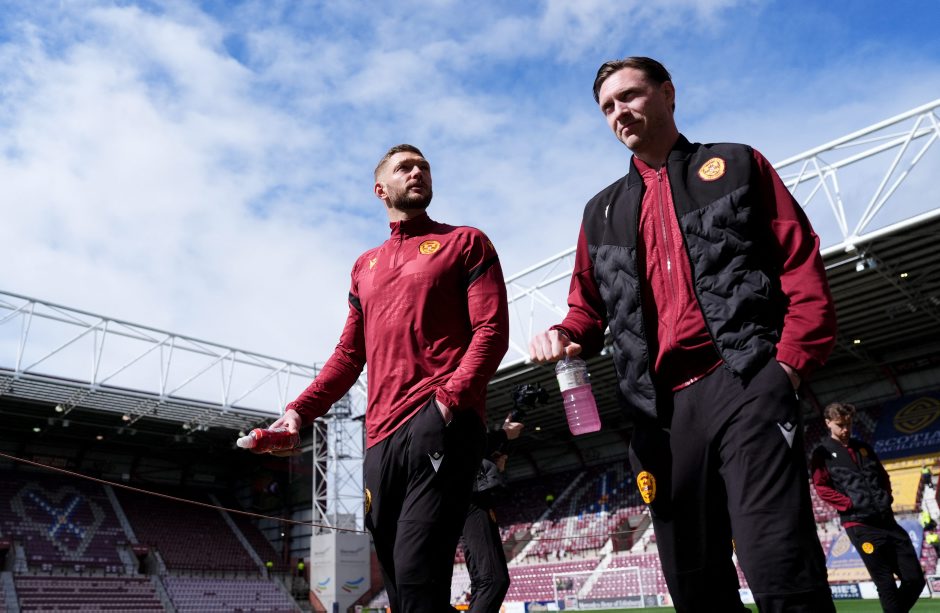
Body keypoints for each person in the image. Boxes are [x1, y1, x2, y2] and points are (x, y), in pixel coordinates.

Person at [529, 57, 836, 612]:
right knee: (694, 587)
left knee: (779, 564)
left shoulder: (737, 163)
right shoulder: (600, 213)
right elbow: (587, 310)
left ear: (668, 93)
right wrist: (565, 333)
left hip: (745, 384)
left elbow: (799, 263)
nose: (619, 112)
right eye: (607, 107)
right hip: (659, 416)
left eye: (629, 96)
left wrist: (787, 365)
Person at [267, 144, 510, 612]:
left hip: (440, 421)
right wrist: (298, 412)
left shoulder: (465, 242)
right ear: (380, 189)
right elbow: (348, 355)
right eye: (405, 167)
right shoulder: (364, 266)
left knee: (417, 575)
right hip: (379, 438)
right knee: (401, 585)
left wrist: (447, 402)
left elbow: (492, 331)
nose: (418, 171)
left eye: (424, 166)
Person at [811, 402, 926, 612]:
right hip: (860, 526)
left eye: (848, 424)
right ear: (828, 423)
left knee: (915, 579)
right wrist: (849, 504)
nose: (845, 429)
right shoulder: (822, 453)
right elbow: (821, 487)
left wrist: (886, 497)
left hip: (887, 521)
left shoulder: (863, 448)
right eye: (840, 425)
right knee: (885, 583)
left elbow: (882, 476)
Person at [460, 413, 523, 613]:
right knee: (494, 580)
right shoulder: (456, 407)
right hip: (471, 497)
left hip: (467, 496)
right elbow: (464, 445)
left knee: (482, 580)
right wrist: (503, 434)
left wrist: (493, 457)